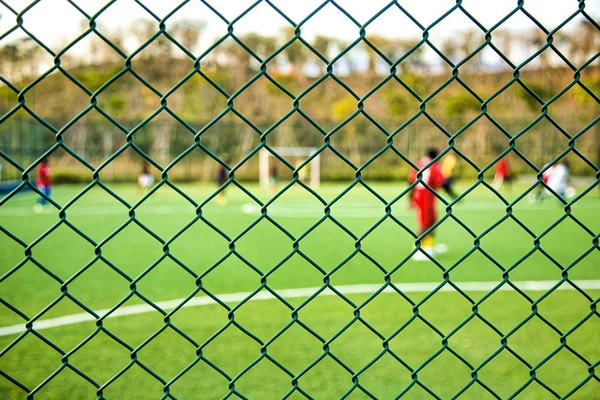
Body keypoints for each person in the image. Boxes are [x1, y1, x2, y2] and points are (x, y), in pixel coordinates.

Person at [408, 148, 446, 260]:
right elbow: (441, 181)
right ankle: (417, 249)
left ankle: (429, 247)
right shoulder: (434, 165)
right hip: (426, 197)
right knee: (425, 224)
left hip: (419, 195)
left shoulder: (419, 163)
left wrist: (410, 199)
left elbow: (411, 181)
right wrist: (454, 195)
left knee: (431, 221)